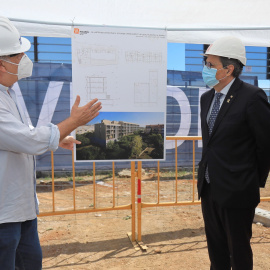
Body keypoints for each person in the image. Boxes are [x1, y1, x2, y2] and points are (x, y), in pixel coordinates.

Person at [0, 16, 102, 269]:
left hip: (20, 208)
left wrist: (59, 138)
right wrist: (73, 121)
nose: (24, 61)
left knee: (31, 261)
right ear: (2, 64)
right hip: (4, 215)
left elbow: (22, 132)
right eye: (18, 57)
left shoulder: (8, 92)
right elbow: (27, 139)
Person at [198, 36, 270, 270]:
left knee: (238, 252)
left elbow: (265, 145)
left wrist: (250, 181)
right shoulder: (206, 98)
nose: (205, 69)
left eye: (210, 64)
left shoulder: (252, 97)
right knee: (216, 250)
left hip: (238, 190)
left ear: (228, 69)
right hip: (209, 188)